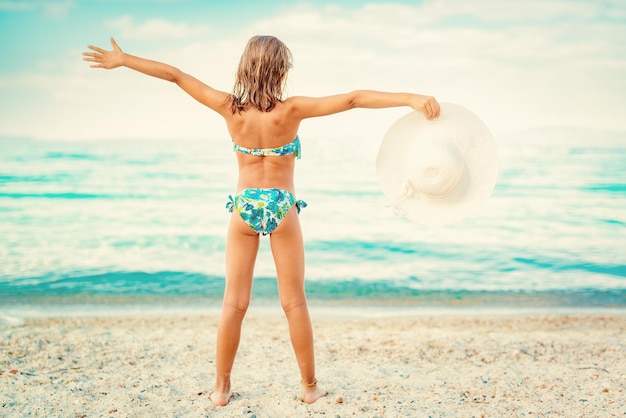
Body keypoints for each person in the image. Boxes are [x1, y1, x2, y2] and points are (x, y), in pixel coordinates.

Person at [83, 35, 440, 407]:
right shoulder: (292, 110)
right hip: (282, 206)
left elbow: (175, 75)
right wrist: (410, 98)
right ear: (281, 70)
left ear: (244, 68)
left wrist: (124, 60)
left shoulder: (228, 108)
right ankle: (309, 388)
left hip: (244, 206)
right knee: (294, 302)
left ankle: (221, 390)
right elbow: (352, 99)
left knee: (233, 304)